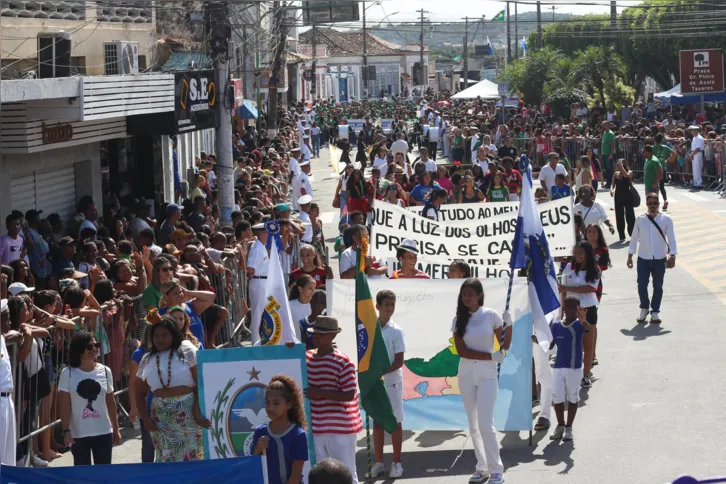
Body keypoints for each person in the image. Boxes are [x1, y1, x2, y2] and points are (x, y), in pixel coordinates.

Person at [452, 278, 512, 484]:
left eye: (470, 293)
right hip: (467, 372)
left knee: (486, 423)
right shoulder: (458, 319)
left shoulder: (491, 315)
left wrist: (508, 324)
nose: (466, 297)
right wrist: (490, 357)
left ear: (479, 295)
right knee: (473, 424)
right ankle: (482, 467)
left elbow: (505, 344)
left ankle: (497, 469)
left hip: (487, 374)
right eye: (464, 294)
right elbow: (462, 351)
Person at [135, 317, 210, 462]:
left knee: (191, 456)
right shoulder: (147, 359)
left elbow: (200, 381)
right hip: (161, 416)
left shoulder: (186, 350)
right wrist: (146, 419)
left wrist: (196, 409)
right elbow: (139, 392)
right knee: (166, 457)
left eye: (165, 335)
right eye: (156, 336)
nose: (159, 339)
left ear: (174, 335)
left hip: (187, 413)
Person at [305, 316, 361, 484]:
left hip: (341, 429)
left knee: (347, 473)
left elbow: (349, 394)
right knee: (320, 474)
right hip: (316, 427)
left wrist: (319, 392)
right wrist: (290, 348)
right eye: (315, 334)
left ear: (331, 336)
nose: (315, 337)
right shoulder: (306, 356)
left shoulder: (343, 362)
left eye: (320, 334)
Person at [58, 331, 121, 466]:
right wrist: (66, 430)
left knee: (103, 476)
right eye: (89, 347)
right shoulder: (67, 373)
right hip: (78, 435)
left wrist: (115, 429)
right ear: (79, 350)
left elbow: (110, 402)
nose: (95, 349)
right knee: (82, 477)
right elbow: (64, 405)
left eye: (96, 345)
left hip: (103, 431)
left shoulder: (105, 371)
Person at [369, 290, 405, 479]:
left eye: (392, 304)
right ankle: (379, 463)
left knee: (395, 423)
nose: (390, 308)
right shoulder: (370, 329)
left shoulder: (396, 331)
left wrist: (379, 373)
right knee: (377, 422)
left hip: (392, 383)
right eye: (386, 305)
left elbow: (399, 361)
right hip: (375, 383)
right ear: (378, 306)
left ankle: (397, 463)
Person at [627, 193, 677, 325]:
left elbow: (671, 238)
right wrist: (630, 255)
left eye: (655, 203)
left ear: (659, 204)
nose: (653, 206)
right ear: (646, 205)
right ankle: (644, 308)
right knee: (642, 285)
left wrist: (673, 255)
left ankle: (655, 311)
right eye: (650, 204)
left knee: (658, 286)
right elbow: (634, 238)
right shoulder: (640, 219)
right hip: (643, 258)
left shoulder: (666, 219)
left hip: (660, 259)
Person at [252, 375, 309, 484]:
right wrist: (257, 449)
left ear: (289, 404)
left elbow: (295, 477)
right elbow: (253, 467)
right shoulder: (260, 431)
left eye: (276, 403)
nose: (270, 408)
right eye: (267, 402)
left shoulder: (298, 435)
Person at [558, 241, 600, 389]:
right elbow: (562, 290)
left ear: (588, 254)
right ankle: (571, 373)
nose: (577, 256)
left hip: (588, 310)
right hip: (571, 310)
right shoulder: (569, 268)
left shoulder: (595, 269)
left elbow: (590, 288)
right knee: (571, 344)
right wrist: (563, 309)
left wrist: (568, 288)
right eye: (575, 253)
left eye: (581, 253)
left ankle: (586, 375)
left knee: (587, 345)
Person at [549, 298, 591, 442]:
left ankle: (569, 428)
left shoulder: (579, 325)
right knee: (557, 399)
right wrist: (539, 339)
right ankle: (560, 426)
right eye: (568, 308)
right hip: (558, 368)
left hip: (574, 369)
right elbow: (550, 345)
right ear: (564, 308)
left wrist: (584, 319)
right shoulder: (556, 326)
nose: (570, 311)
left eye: (574, 309)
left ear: (578, 309)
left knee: (573, 399)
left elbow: (587, 330)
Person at [0, 299, 19, 466]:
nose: (10, 322)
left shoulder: (1, 338)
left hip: (7, 400)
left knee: (8, 456)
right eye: (6, 318)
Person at [610, 159, 636, 242]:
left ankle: (632, 233)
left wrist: (622, 168)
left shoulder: (629, 171)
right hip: (618, 196)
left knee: (630, 215)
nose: (617, 164)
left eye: (619, 163)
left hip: (627, 195)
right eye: (617, 162)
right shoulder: (615, 174)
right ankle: (621, 235)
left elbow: (626, 176)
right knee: (619, 215)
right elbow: (613, 184)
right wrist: (612, 190)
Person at [288, 274, 315, 341]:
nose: (313, 291)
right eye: (310, 288)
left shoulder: (316, 306)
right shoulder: (290, 305)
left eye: (314, 288)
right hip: (295, 346)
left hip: (312, 346)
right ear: (300, 289)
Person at [600, 121, 616, 188]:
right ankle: (609, 182)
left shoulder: (610, 133)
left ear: (608, 125)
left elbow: (612, 144)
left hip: (608, 154)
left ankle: (610, 183)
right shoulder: (604, 133)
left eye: (604, 124)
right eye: (603, 124)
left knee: (609, 169)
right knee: (607, 169)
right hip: (604, 154)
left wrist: (611, 154)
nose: (603, 125)